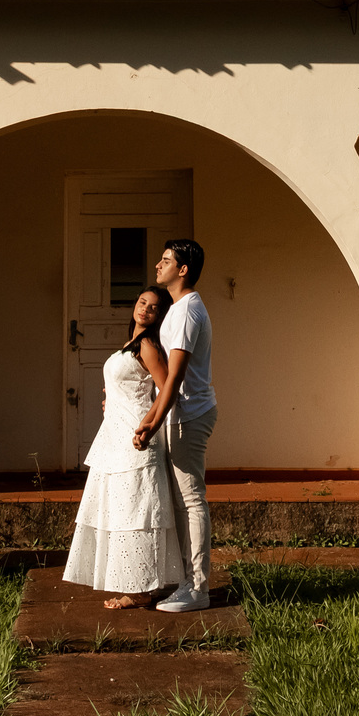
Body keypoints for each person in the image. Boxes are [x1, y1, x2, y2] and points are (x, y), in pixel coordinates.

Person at [62, 284, 186, 610]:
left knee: (137, 513)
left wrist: (146, 424)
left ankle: (140, 590)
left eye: (154, 307)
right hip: (115, 436)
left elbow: (166, 390)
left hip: (136, 438)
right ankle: (140, 584)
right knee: (122, 512)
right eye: (142, 302)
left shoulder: (147, 345)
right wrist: (111, 401)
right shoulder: (129, 344)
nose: (145, 309)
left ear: (160, 315)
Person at [132, 238, 217, 613]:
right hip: (182, 413)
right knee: (184, 502)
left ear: (183, 270)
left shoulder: (185, 312)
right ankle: (187, 581)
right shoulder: (180, 308)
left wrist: (152, 423)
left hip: (189, 414)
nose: (158, 265)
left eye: (166, 261)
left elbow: (174, 379)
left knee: (191, 501)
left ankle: (197, 588)